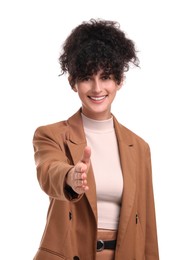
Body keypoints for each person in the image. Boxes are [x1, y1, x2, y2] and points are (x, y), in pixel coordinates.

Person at [33, 18, 159, 260]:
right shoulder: (50, 135)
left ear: (120, 81)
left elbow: (147, 222)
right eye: (87, 77)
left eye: (106, 77)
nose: (97, 88)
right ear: (73, 83)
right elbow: (49, 171)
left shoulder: (139, 147)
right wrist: (71, 177)